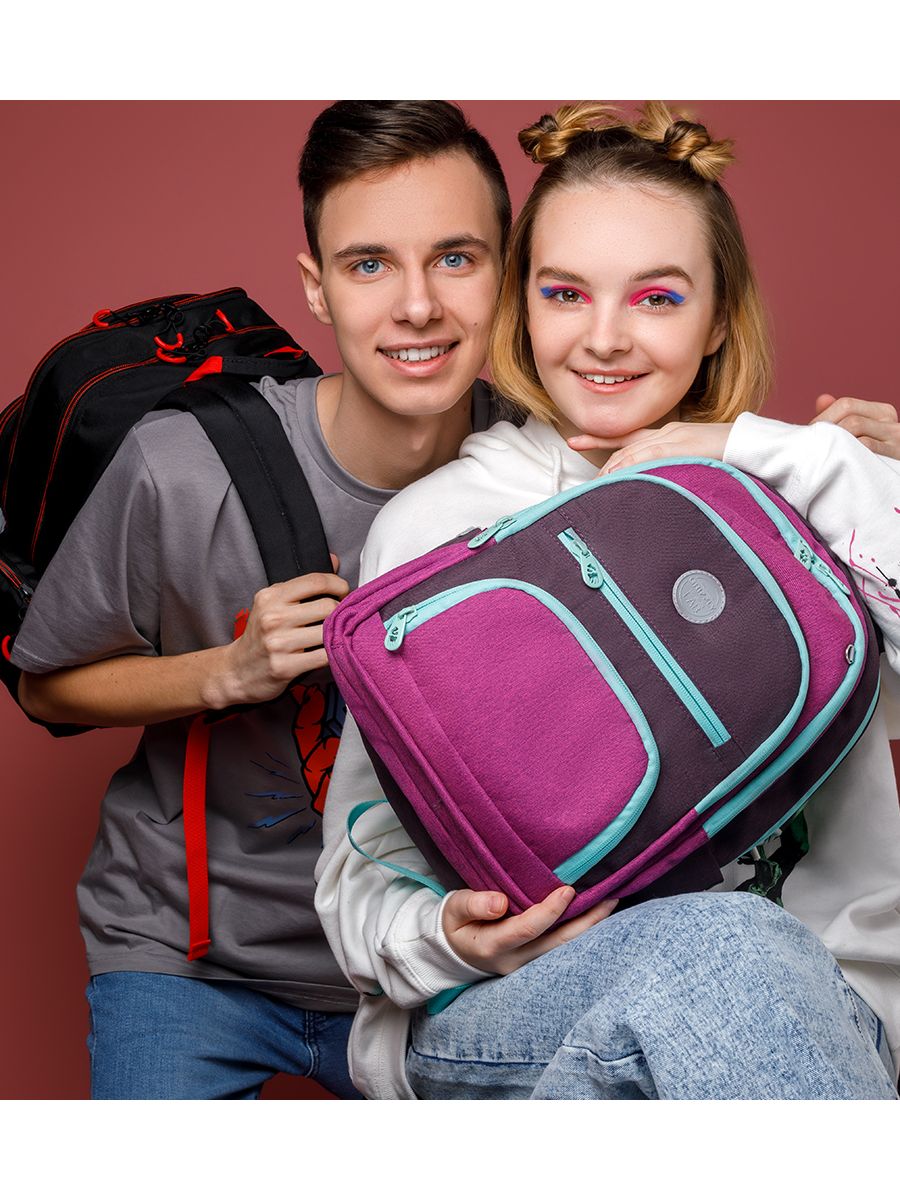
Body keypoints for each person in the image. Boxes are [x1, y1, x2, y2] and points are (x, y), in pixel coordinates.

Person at [315, 102, 900, 1100]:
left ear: (720, 315)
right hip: (517, 1013)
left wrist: (775, 454)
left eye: (657, 297)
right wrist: (450, 935)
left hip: (822, 1016)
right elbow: (360, 870)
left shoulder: (806, 489)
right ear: (522, 307)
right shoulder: (440, 524)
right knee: (723, 945)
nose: (604, 338)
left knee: (739, 956)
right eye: (564, 293)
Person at [10, 101, 513, 1100]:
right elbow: (45, 687)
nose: (417, 305)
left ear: (507, 272)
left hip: (439, 956)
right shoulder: (181, 467)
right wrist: (226, 671)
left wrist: (833, 464)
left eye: (456, 258)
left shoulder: (550, 473)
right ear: (316, 287)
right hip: (191, 958)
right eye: (369, 265)